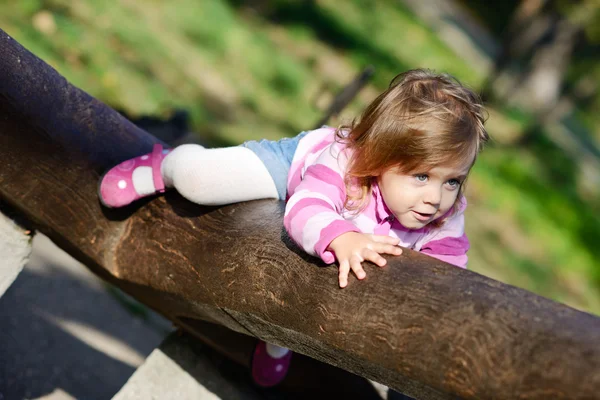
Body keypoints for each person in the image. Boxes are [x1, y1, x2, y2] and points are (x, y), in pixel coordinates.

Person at [98, 69, 489, 388]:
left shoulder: (441, 213)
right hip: (295, 169)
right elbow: (305, 209)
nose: (436, 198)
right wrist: (342, 235)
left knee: (307, 281)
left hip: (338, 233)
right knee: (201, 181)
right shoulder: (345, 164)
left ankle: (275, 341)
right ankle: (164, 164)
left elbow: (448, 270)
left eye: (452, 181)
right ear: (380, 158)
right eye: (421, 176)